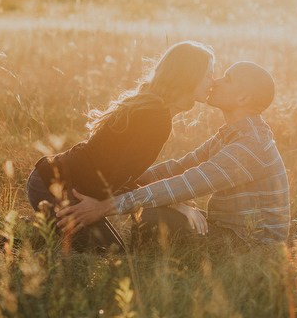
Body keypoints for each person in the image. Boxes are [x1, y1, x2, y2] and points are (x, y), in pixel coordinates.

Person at [56, 61, 290, 247]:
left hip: (250, 243)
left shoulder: (250, 146)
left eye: (226, 79)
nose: (216, 81)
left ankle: (143, 266)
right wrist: (115, 184)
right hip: (229, 228)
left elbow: (186, 183)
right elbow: (178, 167)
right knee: (153, 206)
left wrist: (104, 206)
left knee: (151, 217)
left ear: (243, 98)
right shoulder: (232, 134)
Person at [26, 41, 215, 251]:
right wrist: (173, 203)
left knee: (110, 251)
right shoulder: (157, 117)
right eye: (208, 75)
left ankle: (43, 232)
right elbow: (120, 181)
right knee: (110, 255)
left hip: (61, 184)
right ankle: (27, 239)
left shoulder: (153, 108)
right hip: (55, 187)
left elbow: (123, 178)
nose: (212, 82)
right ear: (190, 76)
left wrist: (170, 200)